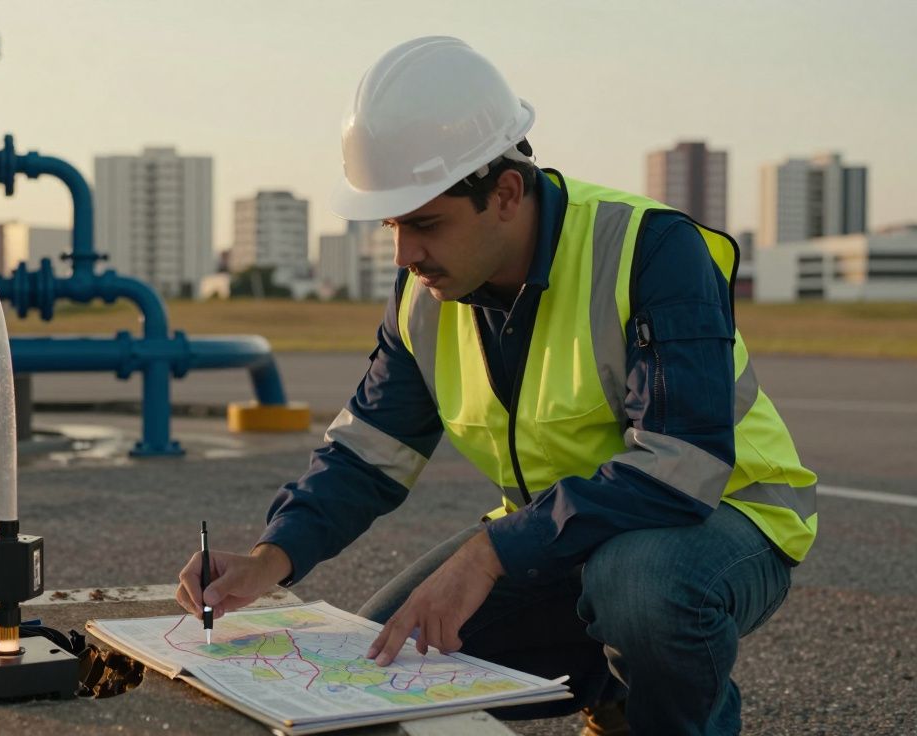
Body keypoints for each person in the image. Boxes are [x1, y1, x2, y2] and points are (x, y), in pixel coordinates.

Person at [176, 36, 817, 736]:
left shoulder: (651, 251)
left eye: (425, 223)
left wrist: (493, 553)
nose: (405, 254)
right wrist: (274, 556)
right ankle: (613, 682)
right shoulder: (425, 295)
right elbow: (368, 451)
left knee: (642, 588)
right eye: (393, 225)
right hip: (560, 538)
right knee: (365, 687)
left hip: (720, 521)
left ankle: (671, 714)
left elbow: (682, 466)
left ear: (506, 192)